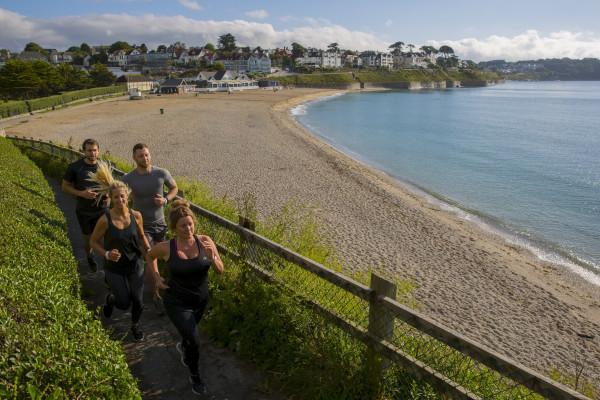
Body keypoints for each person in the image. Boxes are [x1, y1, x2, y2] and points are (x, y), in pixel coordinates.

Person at [146, 200, 223, 395]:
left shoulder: (204, 241)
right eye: (183, 225)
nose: (188, 228)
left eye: (190, 224)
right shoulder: (166, 247)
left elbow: (220, 271)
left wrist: (211, 256)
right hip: (177, 302)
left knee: (189, 338)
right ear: (173, 228)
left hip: (200, 300)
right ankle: (195, 377)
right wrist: (156, 276)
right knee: (195, 341)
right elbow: (149, 256)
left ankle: (183, 345)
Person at [89, 161, 151, 341]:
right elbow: (93, 242)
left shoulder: (136, 215)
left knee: (138, 301)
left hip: (134, 263)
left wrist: (148, 250)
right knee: (124, 303)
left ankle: (135, 326)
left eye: (122, 196)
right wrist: (106, 254)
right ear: (110, 198)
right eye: (116, 197)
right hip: (114, 266)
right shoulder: (104, 220)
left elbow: (140, 237)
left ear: (127, 196)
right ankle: (110, 299)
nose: (120, 200)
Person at [122, 143, 178, 315]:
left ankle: (162, 285)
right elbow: (120, 197)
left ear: (150, 155)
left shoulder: (161, 173)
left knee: (161, 257)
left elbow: (174, 188)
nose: (144, 158)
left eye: (146, 155)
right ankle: (156, 295)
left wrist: (166, 200)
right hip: (141, 225)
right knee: (150, 257)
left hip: (160, 223)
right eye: (140, 156)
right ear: (134, 158)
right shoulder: (128, 179)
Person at [62, 138, 109, 272]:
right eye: (89, 150)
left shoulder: (104, 165)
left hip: (102, 210)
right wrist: (82, 194)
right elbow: (65, 187)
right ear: (83, 151)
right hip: (84, 211)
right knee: (88, 241)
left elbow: (111, 186)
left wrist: (108, 195)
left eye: (94, 150)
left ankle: (106, 272)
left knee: (103, 242)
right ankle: (89, 256)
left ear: (98, 151)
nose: (92, 153)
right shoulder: (75, 167)